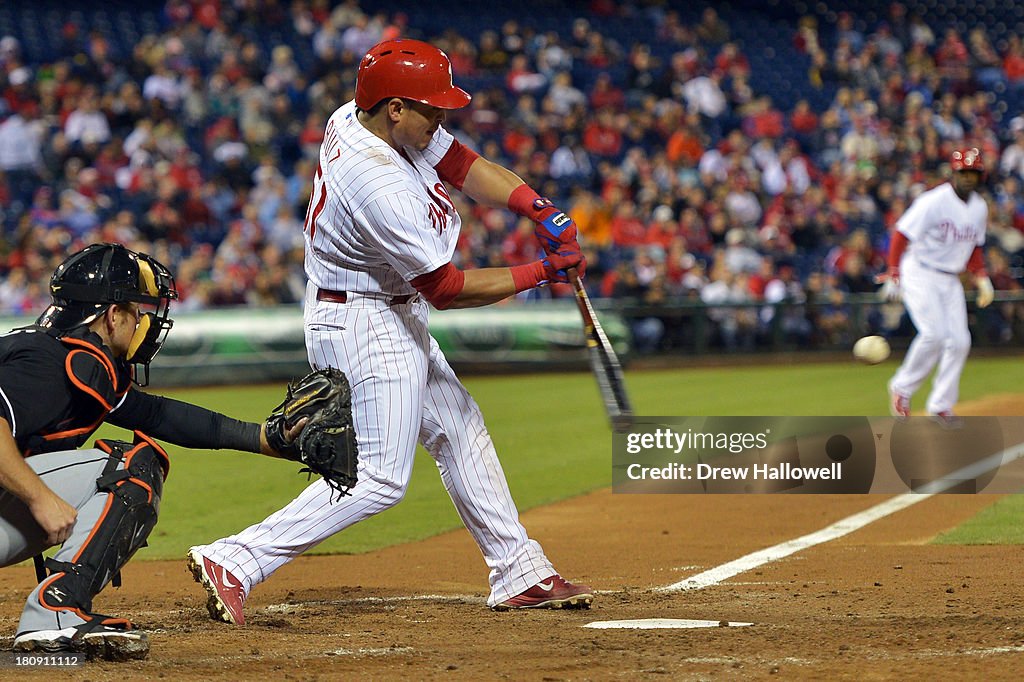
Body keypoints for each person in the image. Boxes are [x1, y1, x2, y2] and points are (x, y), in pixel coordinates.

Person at [187, 38, 592, 624]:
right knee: (379, 478)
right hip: (363, 319)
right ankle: (236, 559)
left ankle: (519, 570)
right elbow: (446, 290)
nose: (442, 117)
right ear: (396, 108)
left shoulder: (365, 117)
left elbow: (460, 164)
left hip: (379, 306)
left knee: (459, 427)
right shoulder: (377, 183)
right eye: (432, 108)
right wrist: (542, 272)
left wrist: (537, 207)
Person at [0, 243, 302, 660]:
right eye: (137, 311)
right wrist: (40, 497)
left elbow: (160, 414)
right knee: (132, 468)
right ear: (112, 315)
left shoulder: (73, 357)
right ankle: (55, 611)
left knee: (129, 460)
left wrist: (267, 438)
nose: (144, 321)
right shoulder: (46, 362)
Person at [881, 148, 995, 424]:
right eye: (963, 172)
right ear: (954, 173)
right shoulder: (933, 201)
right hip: (920, 271)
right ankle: (902, 387)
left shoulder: (979, 207)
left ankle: (940, 405)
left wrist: (981, 277)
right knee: (934, 334)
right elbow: (901, 234)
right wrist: (894, 271)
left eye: (973, 173)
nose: (968, 178)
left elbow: (975, 247)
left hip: (949, 278)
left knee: (959, 342)